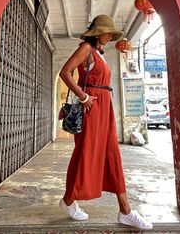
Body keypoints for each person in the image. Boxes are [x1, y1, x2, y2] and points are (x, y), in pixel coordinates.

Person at [59, 15, 153, 230]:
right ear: (98, 33)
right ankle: (68, 201)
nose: (111, 36)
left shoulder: (99, 54)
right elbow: (65, 72)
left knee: (112, 154)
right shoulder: (86, 48)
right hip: (91, 106)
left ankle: (125, 211)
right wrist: (83, 96)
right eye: (108, 32)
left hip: (104, 107)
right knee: (85, 153)